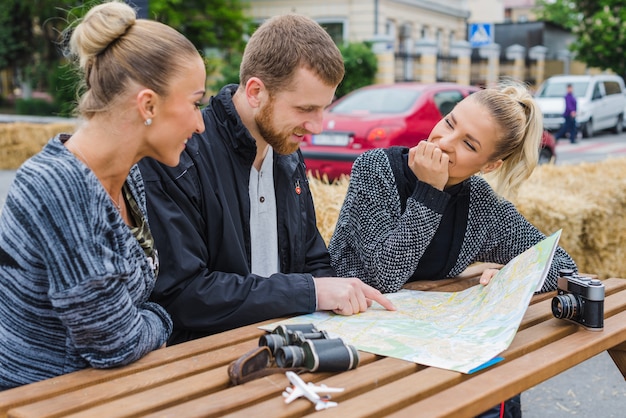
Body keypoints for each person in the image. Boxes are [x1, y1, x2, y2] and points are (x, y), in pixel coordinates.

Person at [137, 14, 395, 346]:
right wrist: (310, 292)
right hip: (207, 356)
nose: (317, 126)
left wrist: (337, 293)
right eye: (305, 109)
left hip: (284, 345)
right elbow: (184, 295)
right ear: (256, 92)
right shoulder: (180, 154)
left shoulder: (285, 149)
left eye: (323, 109)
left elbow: (312, 259)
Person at [329, 81, 578, 417]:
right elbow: (383, 276)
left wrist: (512, 276)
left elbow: (561, 265)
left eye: (468, 144)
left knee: (498, 389)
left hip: (432, 349)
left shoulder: (482, 206)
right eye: (449, 122)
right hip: (355, 345)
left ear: (490, 166)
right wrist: (430, 190)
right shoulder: (376, 169)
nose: (443, 142)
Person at [0, 1, 207, 390]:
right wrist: (162, 319)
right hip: (42, 400)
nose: (200, 124)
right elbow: (115, 344)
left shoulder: (131, 178)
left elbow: (125, 325)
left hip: (107, 393)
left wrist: (139, 319)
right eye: (195, 103)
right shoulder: (57, 185)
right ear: (148, 104)